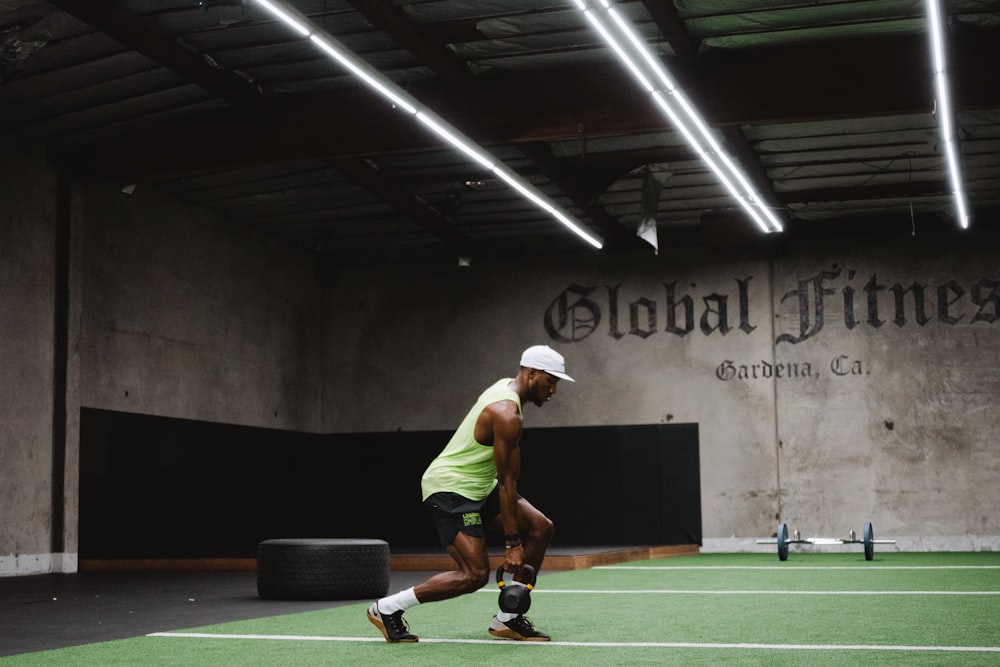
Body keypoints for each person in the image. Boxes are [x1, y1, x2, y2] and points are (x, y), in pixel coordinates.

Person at [367, 344, 574, 643]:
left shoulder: (507, 386)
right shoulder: (506, 414)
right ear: (531, 374)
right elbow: (507, 481)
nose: (553, 390)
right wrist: (512, 543)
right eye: (551, 381)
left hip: (479, 485)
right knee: (474, 575)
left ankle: (509, 618)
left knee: (541, 528)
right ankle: (386, 608)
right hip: (450, 487)